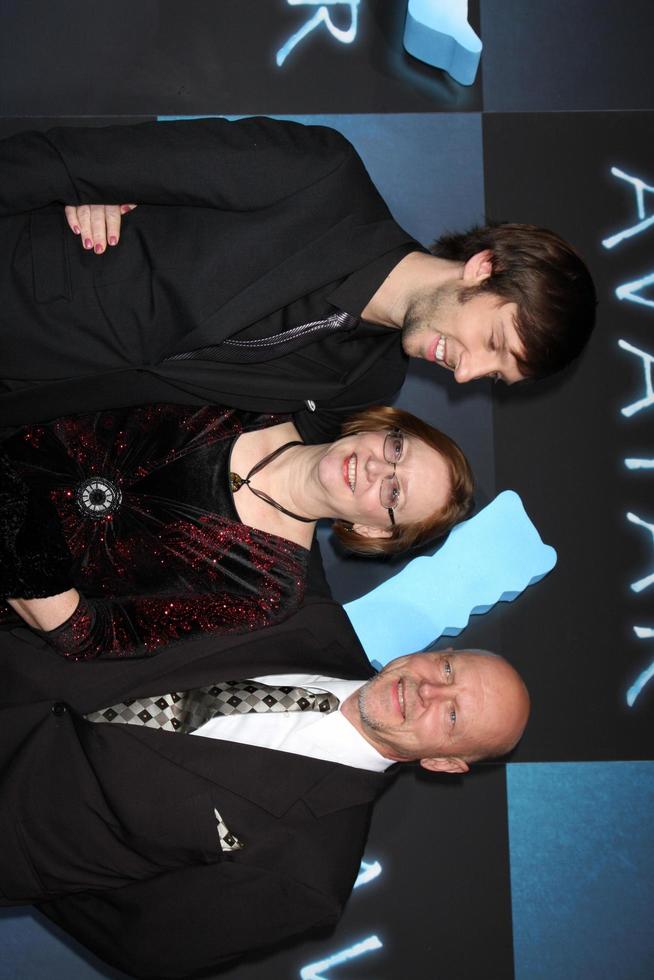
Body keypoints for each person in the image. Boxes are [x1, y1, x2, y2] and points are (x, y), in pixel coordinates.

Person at [0, 595, 529, 978]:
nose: (429, 690)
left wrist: (35, 862)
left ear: (445, 763)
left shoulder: (310, 875)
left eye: (453, 715)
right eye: (448, 667)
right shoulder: (308, 618)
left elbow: (145, 945)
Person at [0, 116, 596, 441]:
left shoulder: (365, 387)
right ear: (484, 268)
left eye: (494, 377)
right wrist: (95, 194)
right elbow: (72, 162)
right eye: (493, 344)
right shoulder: (320, 176)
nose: (467, 373)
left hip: (29, 399)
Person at [0, 402, 473, 659]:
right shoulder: (256, 395)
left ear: (372, 532)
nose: (376, 468)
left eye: (394, 495)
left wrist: (16, 546)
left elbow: (100, 636)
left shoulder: (270, 588)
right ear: (382, 426)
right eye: (396, 448)